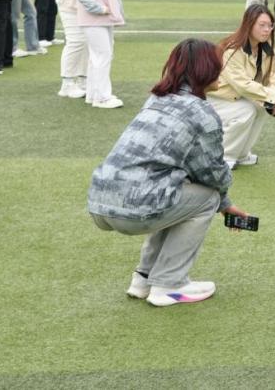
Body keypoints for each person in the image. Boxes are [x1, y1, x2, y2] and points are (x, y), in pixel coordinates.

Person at [87, 38, 251, 307]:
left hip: (100, 201)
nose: (221, 71)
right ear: (205, 69)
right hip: (133, 208)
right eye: (218, 65)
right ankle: (169, 284)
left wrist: (225, 205)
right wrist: (223, 203)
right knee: (206, 198)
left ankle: (143, 278)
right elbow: (212, 172)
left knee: (172, 191)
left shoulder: (156, 99)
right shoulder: (202, 113)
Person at [207, 4, 275, 168]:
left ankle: (242, 155)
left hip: (237, 97)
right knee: (246, 110)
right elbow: (242, 85)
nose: (267, 30)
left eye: (270, 25)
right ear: (249, 24)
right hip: (214, 100)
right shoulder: (232, 49)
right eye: (262, 25)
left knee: (262, 107)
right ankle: (224, 157)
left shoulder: (267, 48)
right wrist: (270, 97)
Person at [76, 0, 125, 109]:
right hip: (95, 19)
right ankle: (102, 97)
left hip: (101, 19)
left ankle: (93, 94)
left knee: (98, 57)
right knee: (102, 56)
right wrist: (101, 9)